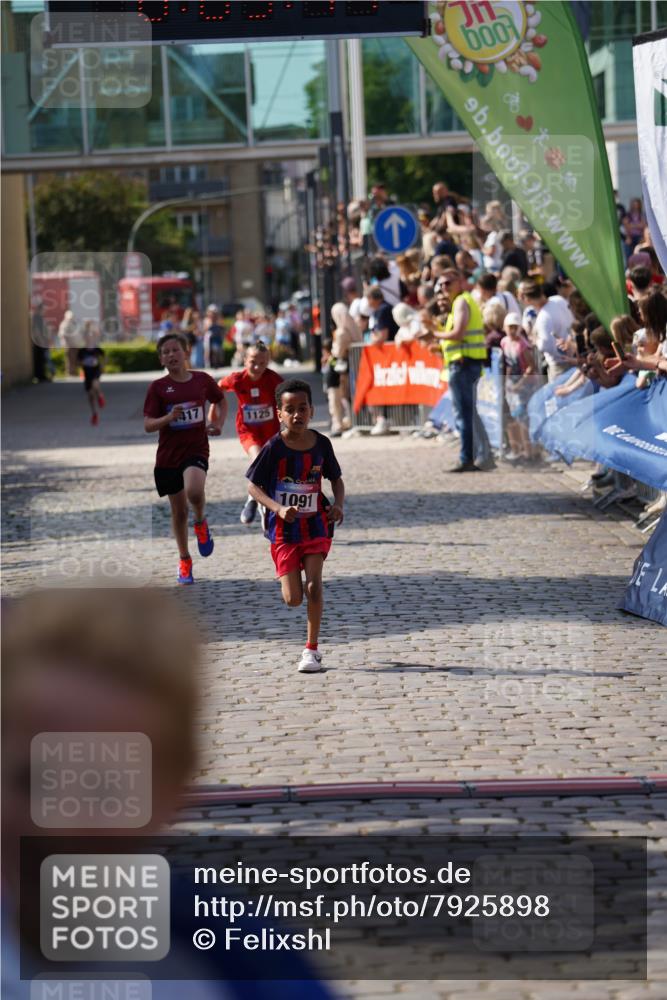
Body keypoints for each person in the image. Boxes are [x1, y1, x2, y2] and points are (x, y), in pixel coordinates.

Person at [246, 378, 344, 673]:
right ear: (279, 414)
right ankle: (293, 572)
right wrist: (276, 507)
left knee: (314, 588)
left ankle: (311, 651)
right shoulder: (274, 448)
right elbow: (253, 486)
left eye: (303, 408)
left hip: (315, 524)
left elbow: (336, 479)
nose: (297, 415)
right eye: (290, 409)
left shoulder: (321, 444)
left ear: (312, 410)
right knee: (293, 599)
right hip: (284, 530)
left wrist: (338, 504)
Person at [143, 332, 223, 585]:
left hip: (196, 449)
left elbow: (220, 400)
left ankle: (200, 522)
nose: (171, 355)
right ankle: (184, 559)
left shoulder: (201, 380)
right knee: (178, 513)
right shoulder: (157, 388)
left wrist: (217, 422)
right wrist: (168, 418)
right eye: (165, 352)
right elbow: (148, 425)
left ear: (186, 353)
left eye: (175, 349)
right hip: (168, 456)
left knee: (195, 492)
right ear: (161, 360)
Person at [209, 342, 283, 525]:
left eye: (262, 363)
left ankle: (258, 502)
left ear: (268, 362)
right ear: (244, 360)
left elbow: (289, 396)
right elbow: (217, 389)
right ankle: (252, 499)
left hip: (271, 432)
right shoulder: (237, 379)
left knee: (272, 469)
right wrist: (214, 409)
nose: (257, 367)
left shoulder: (274, 380)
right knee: (258, 459)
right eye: (253, 362)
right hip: (248, 431)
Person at [435, 269, 493, 472]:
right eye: (441, 284)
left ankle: (467, 458)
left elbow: (458, 334)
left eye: (448, 283)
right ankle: (483, 456)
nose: (444, 288)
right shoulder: (462, 302)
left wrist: (435, 334)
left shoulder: (461, 301)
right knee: (469, 413)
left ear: (460, 281)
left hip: (464, 365)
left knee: (464, 415)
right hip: (466, 364)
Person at [521, 282, 575, 381]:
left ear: (527, 300)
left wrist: (535, 339)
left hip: (560, 364)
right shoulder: (558, 299)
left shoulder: (543, 318)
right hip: (575, 355)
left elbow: (546, 346)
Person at [77, 323, 105, 426]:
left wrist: (102, 366)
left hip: (95, 371)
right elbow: (78, 362)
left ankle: (100, 395)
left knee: (95, 385)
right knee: (90, 395)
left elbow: (104, 357)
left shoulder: (96, 349)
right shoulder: (82, 351)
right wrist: (83, 363)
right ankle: (94, 413)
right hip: (87, 373)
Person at [57, 309, 83, 376]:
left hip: (75, 344)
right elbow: (62, 335)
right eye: (70, 317)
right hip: (69, 345)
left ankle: (74, 372)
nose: (71, 318)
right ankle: (70, 373)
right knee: (70, 359)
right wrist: (67, 343)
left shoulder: (74, 323)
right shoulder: (64, 324)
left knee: (76, 359)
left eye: (72, 317)